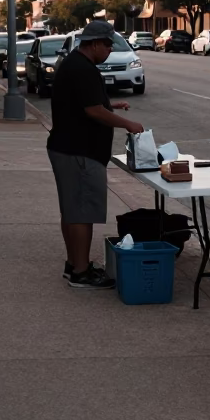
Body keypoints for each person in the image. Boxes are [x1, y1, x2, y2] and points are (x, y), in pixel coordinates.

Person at [47, 20, 144, 289]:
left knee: (72, 211)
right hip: (79, 151)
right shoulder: (83, 69)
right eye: (109, 44)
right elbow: (92, 111)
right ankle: (81, 272)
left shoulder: (75, 64)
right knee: (82, 213)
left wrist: (110, 104)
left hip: (67, 147)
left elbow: (82, 103)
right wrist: (127, 124)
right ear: (96, 43)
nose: (111, 49)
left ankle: (73, 264)